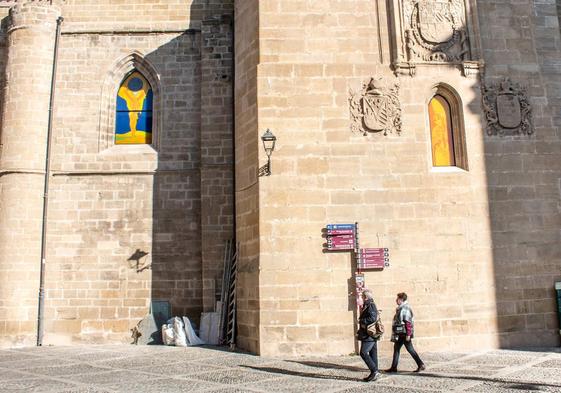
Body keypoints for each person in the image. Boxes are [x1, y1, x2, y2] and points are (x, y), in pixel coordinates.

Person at [386, 292, 426, 373]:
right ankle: (394, 367)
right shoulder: (401, 308)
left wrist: (408, 334)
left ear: (401, 300)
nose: (396, 300)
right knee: (397, 349)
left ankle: (420, 364)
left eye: (397, 299)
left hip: (404, 333)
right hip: (400, 333)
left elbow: (408, 323)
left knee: (410, 349)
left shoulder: (405, 308)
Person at [357, 289, 381, 382]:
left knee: (363, 352)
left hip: (369, 334)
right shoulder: (368, 305)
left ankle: (375, 371)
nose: (362, 298)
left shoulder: (370, 305)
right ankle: (374, 373)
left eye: (362, 297)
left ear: (366, 297)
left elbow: (372, 318)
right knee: (373, 353)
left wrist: (362, 321)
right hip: (370, 333)